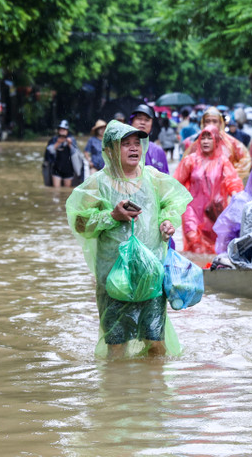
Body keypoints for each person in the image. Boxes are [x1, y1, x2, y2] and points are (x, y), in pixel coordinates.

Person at [66, 120, 192, 358]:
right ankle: (117, 383)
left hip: (150, 275)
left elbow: (172, 204)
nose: (134, 148)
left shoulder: (153, 178)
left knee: (156, 344)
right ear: (110, 150)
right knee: (116, 346)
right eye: (126, 144)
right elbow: (80, 223)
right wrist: (111, 216)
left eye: (137, 143)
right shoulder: (97, 184)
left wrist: (166, 222)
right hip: (113, 279)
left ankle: (152, 382)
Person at [173, 124, 244, 254]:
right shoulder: (190, 160)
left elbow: (232, 181)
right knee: (194, 242)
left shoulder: (223, 161)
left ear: (216, 141)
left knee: (212, 250)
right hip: (192, 210)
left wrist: (236, 198)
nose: (205, 141)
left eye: (209, 138)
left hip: (214, 212)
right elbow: (175, 183)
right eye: (203, 138)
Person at [180, 106, 252, 179]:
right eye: (208, 121)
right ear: (203, 123)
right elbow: (186, 167)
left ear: (220, 123)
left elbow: (244, 161)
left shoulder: (231, 142)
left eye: (214, 121)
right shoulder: (195, 141)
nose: (211, 124)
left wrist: (230, 175)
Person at [130, 104, 169, 174]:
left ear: (151, 124)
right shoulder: (122, 149)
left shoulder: (158, 151)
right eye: (139, 118)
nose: (142, 122)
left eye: (147, 120)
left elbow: (165, 177)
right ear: (131, 121)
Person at [45, 120, 85, 188]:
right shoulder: (54, 139)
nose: (62, 131)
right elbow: (49, 152)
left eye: (64, 129)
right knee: (56, 190)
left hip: (68, 169)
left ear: (67, 130)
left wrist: (70, 145)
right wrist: (58, 143)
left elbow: (77, 154)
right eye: (61, 129)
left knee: (66, 191)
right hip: (56, 168)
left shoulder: (72, 139)